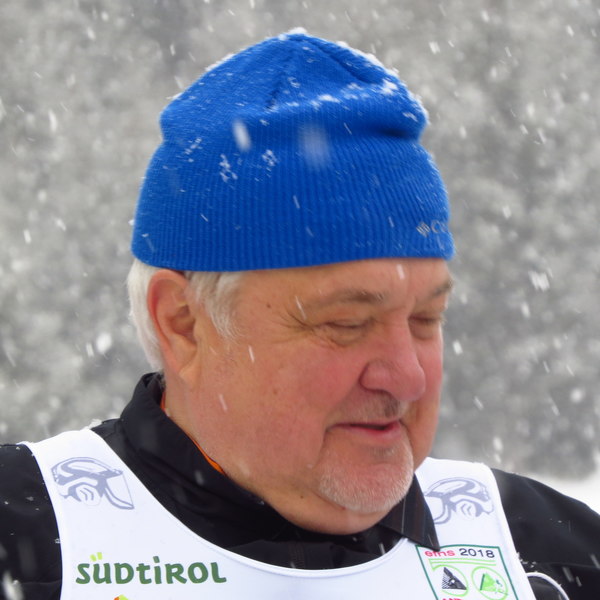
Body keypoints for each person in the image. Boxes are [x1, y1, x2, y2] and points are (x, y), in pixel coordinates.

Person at [0, 30, 598, 600]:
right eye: (346, 324)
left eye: (426, 319)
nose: (406, 376)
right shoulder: (31, 539)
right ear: (183, 324)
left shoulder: (549, 558)